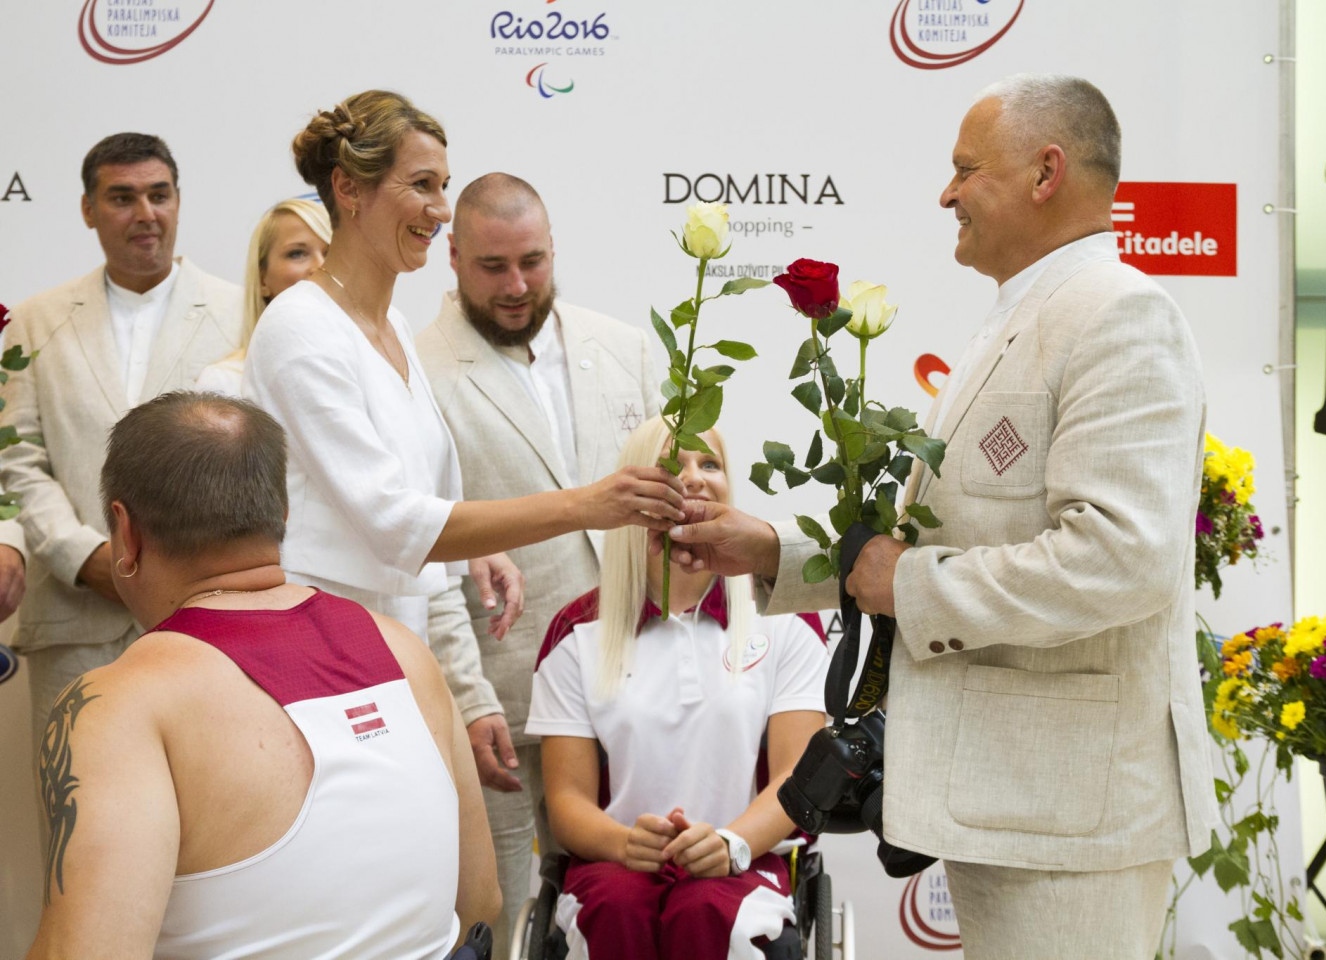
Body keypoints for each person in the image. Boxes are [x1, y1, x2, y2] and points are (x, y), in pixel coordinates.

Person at [667, 75, 1219, 959]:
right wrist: (770, 550)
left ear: (1046, 172)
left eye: (966, 169)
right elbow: (931, 544)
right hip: (1018, 803)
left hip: (1067, 817)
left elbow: (1122, 558)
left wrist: (913, 586)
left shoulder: (1119, 316)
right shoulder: (1027, 315)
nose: (945, 194)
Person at [243, 91, 686, 769]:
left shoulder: (391, 327)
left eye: (443, 186)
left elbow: (426, 499)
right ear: (349, 189)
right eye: (421, 185)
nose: (442, 208)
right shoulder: (301, 328)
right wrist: (586, 504)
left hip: (397, 651)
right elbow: (394, 523)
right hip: (328, 662)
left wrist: (472, 554)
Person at [23, 392, 498, 960]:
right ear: (283, 516)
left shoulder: (117, 703)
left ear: (126, 533)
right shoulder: (404, 651)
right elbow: (480, 902)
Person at [415, 172, 660, 956]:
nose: (517, 286)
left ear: (554, 249)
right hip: (502, 703)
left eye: (533, 262)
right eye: (493, 267)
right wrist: (468, 696)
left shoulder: (625, 347)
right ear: (453, 257)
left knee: (628, 913)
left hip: (631, 693)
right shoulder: (414, 371)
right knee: (492, 917)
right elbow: (424, 552)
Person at [528, 417, 827, 960]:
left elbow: (796, 776)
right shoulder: (576, 633)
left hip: (746, 862)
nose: (693, 477)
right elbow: (567, 802)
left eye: (709, 463)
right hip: (614, 865)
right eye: (672, 464)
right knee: (617, 909)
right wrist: (624, 843)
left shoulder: (783, 618)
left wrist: (732, 843)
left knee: (705, 910)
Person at [0, 132, 242, 769]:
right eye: (122, 198)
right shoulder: (32, 321)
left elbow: (256, 465)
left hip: (206, 622)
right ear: (88, 209)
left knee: (209, 815)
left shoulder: (241, 313)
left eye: (159, 195)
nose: (145, 214)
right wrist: (85, 558)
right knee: (77, 811)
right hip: (76, 618)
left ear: (179, 201)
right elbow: (17, 459)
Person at [195, 198, 331, 395]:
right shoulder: (225, 382)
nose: (320, 266)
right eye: (297, 253)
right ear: (262, 279)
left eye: (331, 253)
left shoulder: (370, 359)